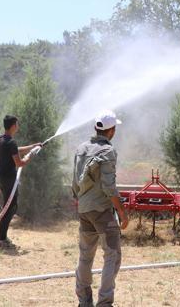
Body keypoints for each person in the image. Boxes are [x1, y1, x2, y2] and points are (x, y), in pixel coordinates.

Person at [72, 110, 129, 307]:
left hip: (85, 209)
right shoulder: (108, 151)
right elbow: (109, 187)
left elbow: (74, 182)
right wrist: (122, 212)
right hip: (102, 211)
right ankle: (104, 302)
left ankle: (84, 301)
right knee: (112, 255)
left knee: (86, 255)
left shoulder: (81, 148)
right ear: (111, 130)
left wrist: (80, 201)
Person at [0, 115, 41, 250]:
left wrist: (32, 146)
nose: (18, 126)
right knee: (10, 208)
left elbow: (14, 150)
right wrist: (31, 156)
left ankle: (2, 237)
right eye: (17, 124)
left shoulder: (0, 140)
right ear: (13, 126)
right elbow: (19, 163)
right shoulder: (11, 142)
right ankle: (1, 238)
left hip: (1, 179)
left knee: (9, 207)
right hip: (9, 180)